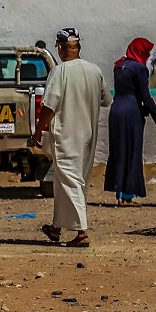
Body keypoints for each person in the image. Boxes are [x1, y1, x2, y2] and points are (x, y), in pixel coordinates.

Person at [31, 28, 111, 248]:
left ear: (59, 47)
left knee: (70, 180)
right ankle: (56, 228)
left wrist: (38, 130)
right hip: (88, 136)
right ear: (79, 47)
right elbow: (106, 100)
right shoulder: (95, 71)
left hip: (67, 135)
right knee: (67, 181)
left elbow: (49, 106)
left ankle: (81, 232)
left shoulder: (59, 72)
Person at [104, 38, 156, 206]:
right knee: (132, 151)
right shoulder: (139, 68)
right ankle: (128, 194)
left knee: (119, 151)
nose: (148, 54)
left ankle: (119, 191)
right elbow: (145, 97)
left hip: (116, 112)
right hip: (131, 114)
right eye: (147, 51)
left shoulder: (119, 65)